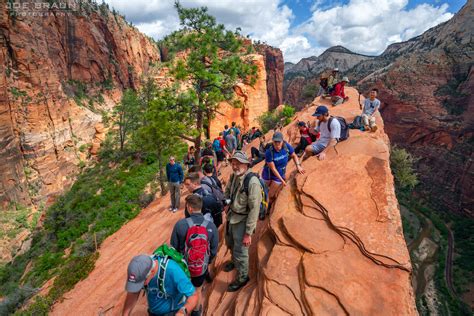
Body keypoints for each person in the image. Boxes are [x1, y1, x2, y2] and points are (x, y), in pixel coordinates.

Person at [170, 194, 218, 316]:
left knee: (183, 289)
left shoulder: (180, 225)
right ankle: (196, 311)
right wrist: (206, 263)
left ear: (189, 208)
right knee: (197, 289)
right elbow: (213, 250)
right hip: (200, 267)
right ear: (200, 207)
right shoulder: (211, 226)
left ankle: (183, 310)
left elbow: (173, 248)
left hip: (182, 267)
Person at [223, 151, 262, 292]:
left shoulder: (252, 183)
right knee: (230, 242)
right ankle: (234, 262)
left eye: (238, 163)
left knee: (241, 250)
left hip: (243, 220)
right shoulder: (234, 176)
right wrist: (226, 201)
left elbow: (254, 209)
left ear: (246, 164)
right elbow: (227, 190)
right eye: (233, 163)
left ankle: (242, 277)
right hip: (232, 216)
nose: (234, 166)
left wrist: (248, 233)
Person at [122, 254, 198, 316]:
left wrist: (182, 311)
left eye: (142, 282)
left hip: (173, 312)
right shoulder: (141, 270)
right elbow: (134, 292)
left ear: (151, 272)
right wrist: (125, 314)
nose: (141, 285)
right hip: (153, 312)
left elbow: (193, 296)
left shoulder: (173, 270)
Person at [262, 132, 304, 204]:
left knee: (269, 195)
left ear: (282, 141)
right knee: (262, 191)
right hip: (268, 173)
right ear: (273, 141)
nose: (277, 143)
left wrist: (298, 166)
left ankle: (264, 210)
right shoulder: (269, 152)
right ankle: (260, 207)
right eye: (275, 142)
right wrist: (282, 180)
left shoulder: (286, 146)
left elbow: (294, 155)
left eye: (279, 141)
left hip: (279, 175)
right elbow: (273, 169)